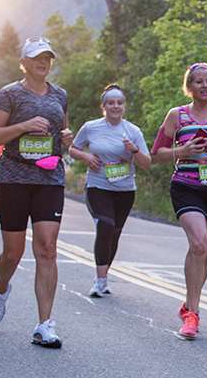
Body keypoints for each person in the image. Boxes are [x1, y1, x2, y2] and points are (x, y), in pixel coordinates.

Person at [0, 37, 74, 348]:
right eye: (36, 58)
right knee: (13, 252)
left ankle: (44, 325)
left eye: (47, 57)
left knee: (47, 248)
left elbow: (62, 134)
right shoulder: (9, 94)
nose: (43, 63)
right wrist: (22, 127)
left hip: (49, 178)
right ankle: (1, 289)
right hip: (13, 178)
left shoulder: (60, 95)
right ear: (24, 63)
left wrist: (67, 138)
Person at [149, 62, 207, 340]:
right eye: (199, 81)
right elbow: (156, 154)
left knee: (206, 253)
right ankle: (193, 314)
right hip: (187, 186)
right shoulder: (176, 115)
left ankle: (189, 304)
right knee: (199, 244)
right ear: (189, 86)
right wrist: (182, 151)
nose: (204, 86)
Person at [69, 84, 151, 298]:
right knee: (105, 225)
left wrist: (134, 150)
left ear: (124, 106)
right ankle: (99, 280)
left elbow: (146, 163)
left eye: (119, 103)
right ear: (103, 106)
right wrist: (86, 156)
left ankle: (104, 278)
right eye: (111, 102)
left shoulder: (133, 131)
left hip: (125, 189)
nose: (115, 106)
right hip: (98, 186)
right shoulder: (91, 127)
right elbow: (73, 149)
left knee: (114, 233)